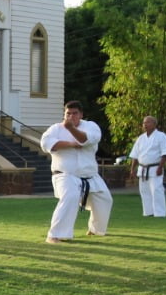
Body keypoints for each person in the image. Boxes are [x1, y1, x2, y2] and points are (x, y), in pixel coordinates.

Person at [40, 101, 113, 243]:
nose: (71, 116)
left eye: (74, 113)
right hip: (64, 174)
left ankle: (95, 229)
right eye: (68, 113)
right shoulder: (55, 129)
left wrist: (72, 130)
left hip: (90, 175)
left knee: (105, 199)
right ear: (64, 114)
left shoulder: (91, 126)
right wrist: (70, 144)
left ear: (81, 114)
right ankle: (55, 235)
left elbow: (85, 139)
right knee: (70, 196)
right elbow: (46, 144)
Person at [128, 115, 166, 217]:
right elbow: (135, 155)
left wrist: (160, 167)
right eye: (144, 123)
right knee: (144, 191)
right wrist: (132, 169)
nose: (145, 125)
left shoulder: (161, 136)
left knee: (156, 190)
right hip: (142, 168)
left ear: (154, 124)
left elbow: (165, 154)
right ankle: (148, 212)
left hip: (155, 168)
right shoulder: (141, 138)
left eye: (148, 122)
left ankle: (160, 213)